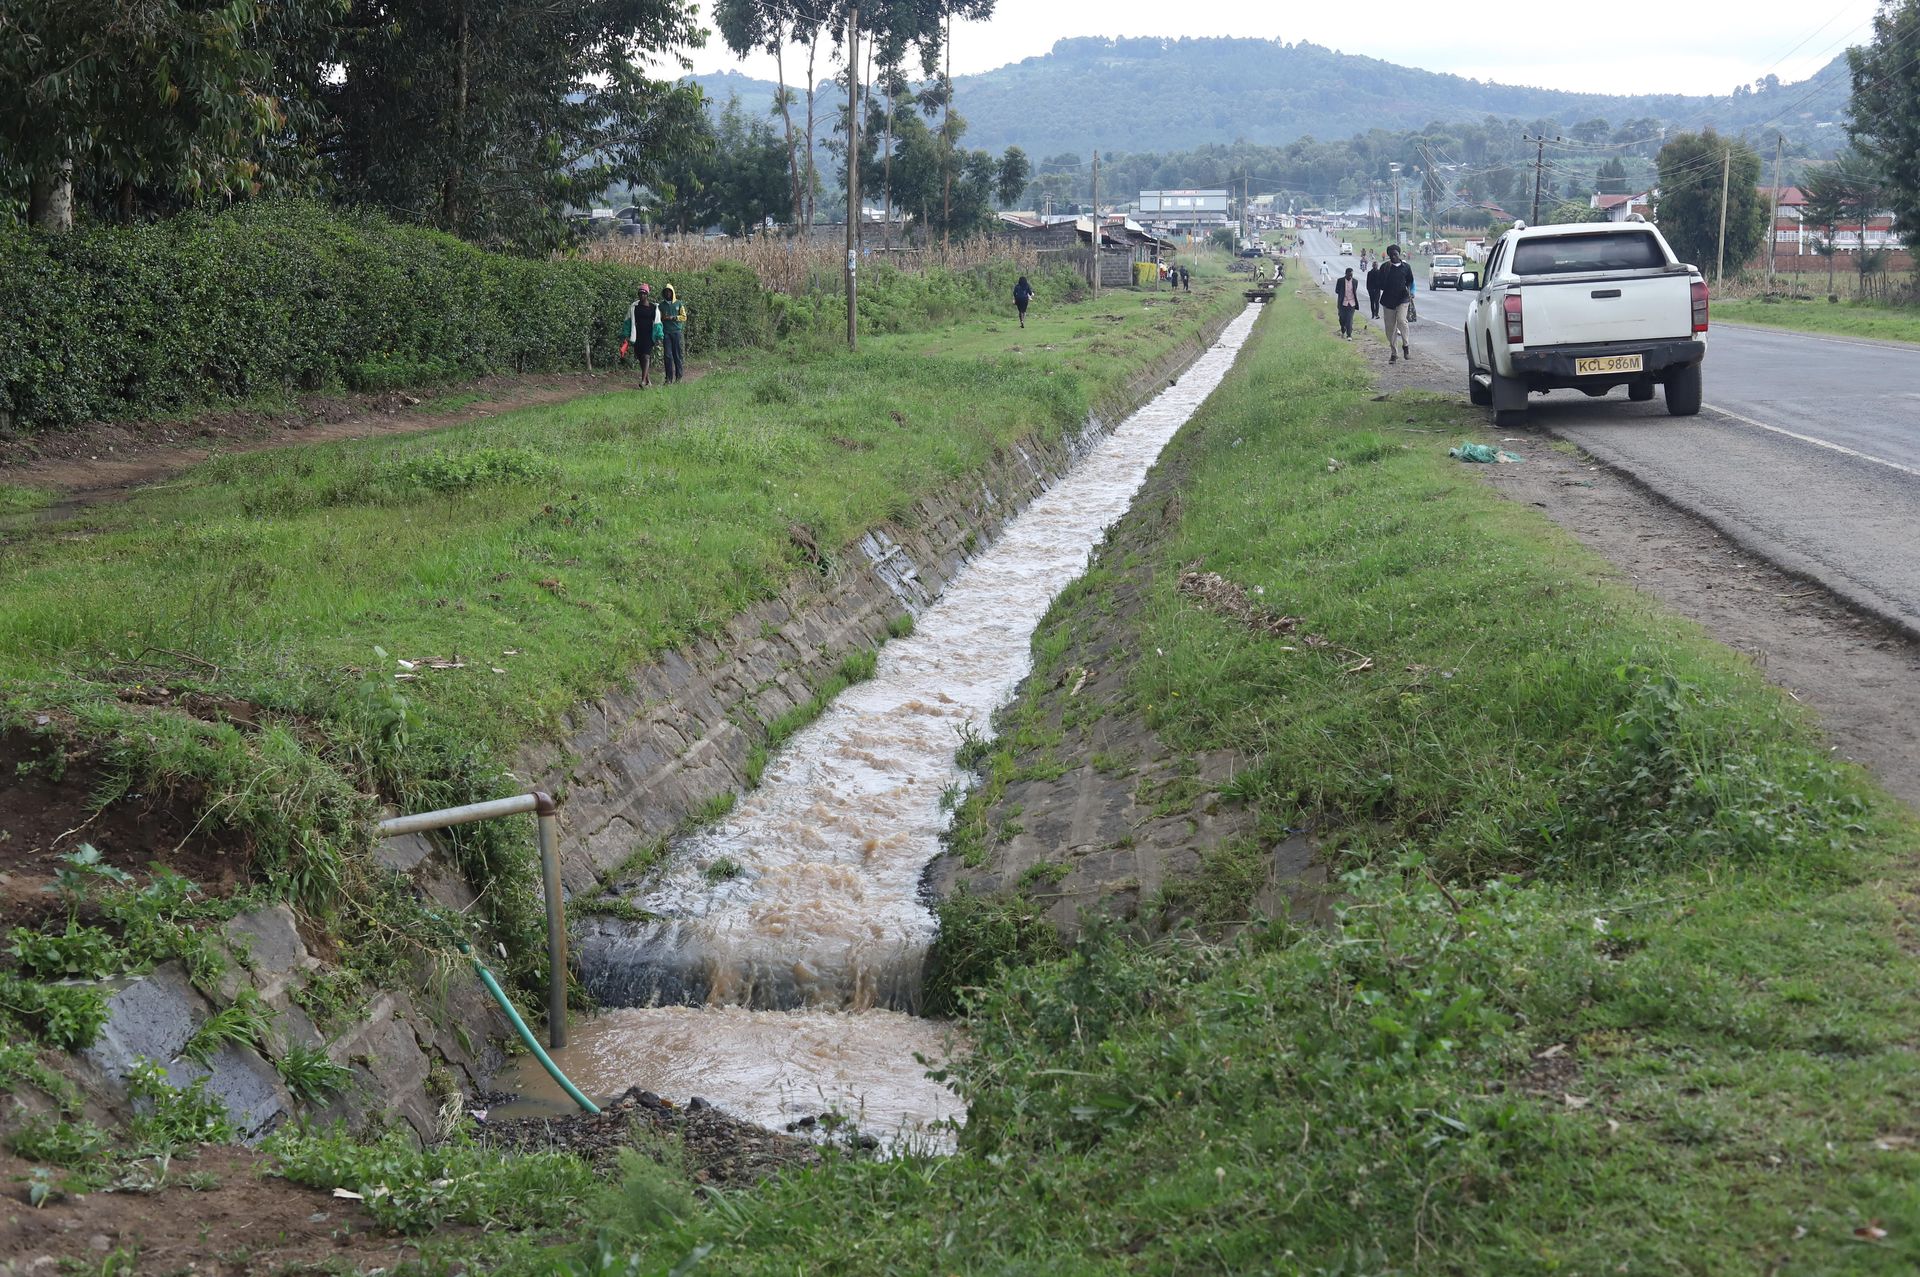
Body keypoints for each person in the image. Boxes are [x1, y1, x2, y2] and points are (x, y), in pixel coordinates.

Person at [1378, 244, 1416, 363]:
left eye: (1395, 254)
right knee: (1390, 328)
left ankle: (1406, 346)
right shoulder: (1384, 267)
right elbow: (1381, 284)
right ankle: (1394, 353)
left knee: (1401, 320)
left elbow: (1410, 281)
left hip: (1402, 298)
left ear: (1399, 254)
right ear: (1388, 255)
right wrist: (1386, 274)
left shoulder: (1406, 267)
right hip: (1388, 300)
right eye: (1391, 255)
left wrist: (1410, 292)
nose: (1393, 257)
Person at [625, 283, 659, 387]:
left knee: (646, 356)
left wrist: (658, 335)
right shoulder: (634, 307)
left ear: (647, 295)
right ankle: (648, 380)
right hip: (638, 334)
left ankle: (643, 381)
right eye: (640, 293)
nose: (642, 295)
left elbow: (657, 322)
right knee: (640, 357)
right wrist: (626, 334)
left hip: (649, 335)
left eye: (644, 293)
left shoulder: (653, 307)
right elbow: (628, 321)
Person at [658, 284, 688, 383]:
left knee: (677, 355)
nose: (668, 293)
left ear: (672, 292)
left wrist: (673, 317)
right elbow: (658, 318)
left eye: (669, 291)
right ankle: (668, 378)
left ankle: (679, 377)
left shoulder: (679, 303)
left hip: (676, 332)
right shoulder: (661, 306)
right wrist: (663, 318)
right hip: (666, 332)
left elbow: (684, 317)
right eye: (666, 292)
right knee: (667, 355)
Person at [1335, 268, 1360, 340]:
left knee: (1349, 319)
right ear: (1345, 274)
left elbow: (1354, 291)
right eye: (1349, 275)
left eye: (1351, 275)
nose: (1350, 276)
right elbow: (1337, 290)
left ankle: (1349, 335)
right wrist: (1342, 293)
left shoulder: (1355, 281)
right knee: (1342, 319)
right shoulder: (1340, 281)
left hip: (1351, 303)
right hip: (1342, 303)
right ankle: (1343, 328)